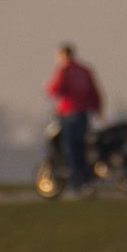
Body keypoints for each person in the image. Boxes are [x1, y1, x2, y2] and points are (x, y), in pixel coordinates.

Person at [46, 43, 104, 194]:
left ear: (63, 55)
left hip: (69, 113)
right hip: (84, 114)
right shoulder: (84, 70)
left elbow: (55, 89)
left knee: (70, 149)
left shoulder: (64, 70)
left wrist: (48, 87)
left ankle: (76, 183)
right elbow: (94, 91)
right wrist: (97, 109)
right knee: (82, 148)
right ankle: (86, 180)